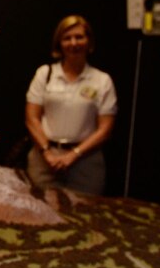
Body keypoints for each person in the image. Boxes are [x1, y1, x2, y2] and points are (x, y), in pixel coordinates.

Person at [24, 15, 117, 195]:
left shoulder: (102, 80)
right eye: (67, 38)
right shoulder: (45, 74)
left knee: (86, 216)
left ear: (88, 41)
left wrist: (74, 154)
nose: (73, 43)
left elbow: (105, 129)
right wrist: (47, 153)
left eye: (79, 37)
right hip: (44, 160)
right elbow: (31, 118)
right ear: (59, 43)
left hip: (85, 163)